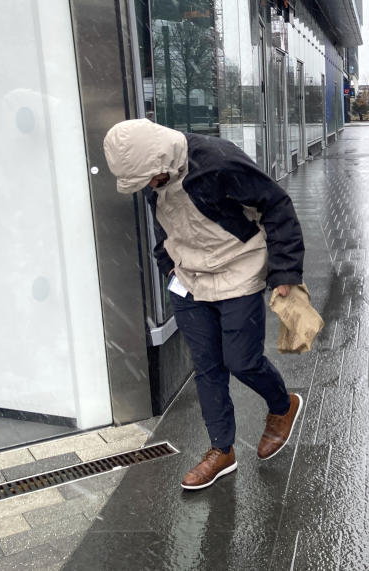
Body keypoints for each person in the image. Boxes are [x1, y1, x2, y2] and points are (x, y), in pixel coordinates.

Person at [103, 119, 304, 490]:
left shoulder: (218, 161)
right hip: (188, 277)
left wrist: (285, 272)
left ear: (162, 158)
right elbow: (164, 226)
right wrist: (167, 266)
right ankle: (221, 451)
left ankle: (282, 405)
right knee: (207, 367)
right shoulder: (151, 175)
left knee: (242, 361)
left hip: (237, 267)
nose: (148, 187)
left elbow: (276, 205)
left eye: (151, 178)